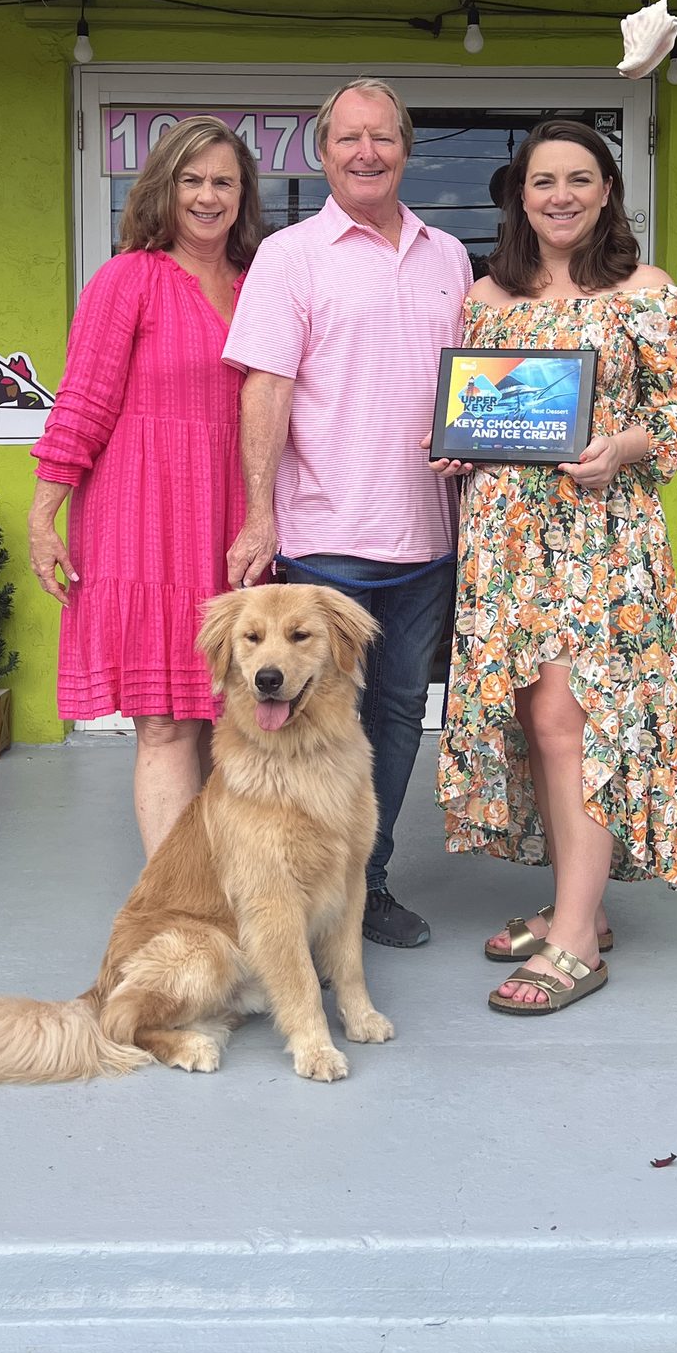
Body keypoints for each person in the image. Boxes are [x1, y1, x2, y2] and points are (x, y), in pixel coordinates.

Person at [434, 118, 677, 1014]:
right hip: (505, 541)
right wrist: (456, 448)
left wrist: (622, 444)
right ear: (521, 195)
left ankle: (576, 945)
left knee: (571, 721)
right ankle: (573, 908)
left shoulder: (647, 290)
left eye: (580, 180)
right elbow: (480, 408)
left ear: (606, 193)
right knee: (532, 720)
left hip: (598, 535)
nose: (561, 196)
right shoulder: (486, 298)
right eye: (544, 180)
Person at [224, 77, 472, 948]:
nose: (367, 152)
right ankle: (294, 885)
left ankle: (365, 879)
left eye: (384, 137)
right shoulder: (291, 254)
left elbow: (467, 388)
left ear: (407, 148)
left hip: (428, 537)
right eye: (349, 139)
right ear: (322, 153)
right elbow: (266, 385)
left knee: (401, 715)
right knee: (312, 722)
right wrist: (261, 518)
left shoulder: (449, 254)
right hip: (328, 536)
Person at [28, 116, 262, 859]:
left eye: (223, 181)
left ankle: (220, 880)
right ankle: (174, 902)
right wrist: (43, 517)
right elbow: (83, 400)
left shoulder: (260, 285)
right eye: (191, 180)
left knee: (227, 716)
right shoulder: (128, 276)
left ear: (243, 194)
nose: (207, 196)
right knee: (164, 719)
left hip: (232, 515)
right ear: (162, 189)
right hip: (145, 515)